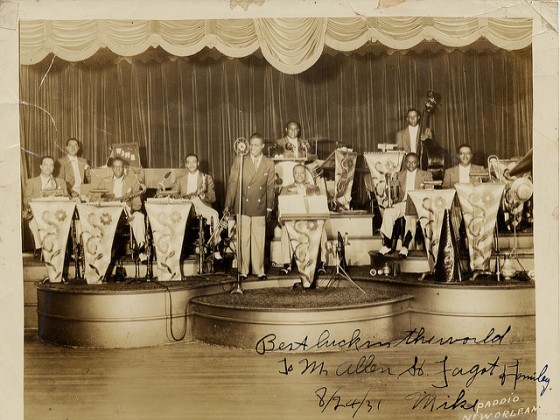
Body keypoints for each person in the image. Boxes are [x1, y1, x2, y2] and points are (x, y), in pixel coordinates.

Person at [224, 133, 276, 280]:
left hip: (260, 205)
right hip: (243, 204)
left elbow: (270, 187)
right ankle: (243, 270)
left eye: (256, 145)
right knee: (244, 238)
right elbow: (232, 183)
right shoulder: (240, 160)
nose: (252, 148)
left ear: (263, 146)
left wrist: (269, 207)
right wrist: (228, 204)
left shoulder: (269, 163)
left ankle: (259, 270)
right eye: (251, 145)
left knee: (259, 238)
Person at [377, 153, 432, 258]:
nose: (411, 164)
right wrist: (392, 195)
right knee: (388, 212)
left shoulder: (426, 175)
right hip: (402, 203)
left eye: (414, 162)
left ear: (418, 163)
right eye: (408, 162)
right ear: (405, 162)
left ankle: (405, 246)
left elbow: (429, 191)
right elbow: (394, 193)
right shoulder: (399, 174)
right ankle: (388, 245)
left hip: (417, 203)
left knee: (410, 216)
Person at [278, 164, 328, 280]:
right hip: (293, 223)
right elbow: (281, 209)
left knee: (322, 229)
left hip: (310, 221)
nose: (299, 175)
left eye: (302, 173)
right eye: (296, 173)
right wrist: (281, 219)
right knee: (285, 229)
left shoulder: (314, 188)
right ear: (293, 174)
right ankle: (287, 264)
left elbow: (319, 206)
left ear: (305, 175)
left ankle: (321, 263)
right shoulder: (286, 189)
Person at [93, 157, 147, 261]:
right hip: (109, 213)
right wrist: (107, 200)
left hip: (127, 212)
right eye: (115, 167)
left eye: (120, 167)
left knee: (139, 217)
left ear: (124, 168)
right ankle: (100, 256)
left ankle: (142, 252)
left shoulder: (132, 181)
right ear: (112, 168)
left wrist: (132, 207)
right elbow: (96, 198)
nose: (118, 169)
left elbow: (137, 203)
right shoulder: (104, 181)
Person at [172, 153, 221, 258]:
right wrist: (182, 198)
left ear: (198, 163)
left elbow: (213, 197)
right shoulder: (179, 179)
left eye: (194, 162)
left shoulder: (207, 178)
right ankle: (179, 249)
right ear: (185, 164)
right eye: (188, 162)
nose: (191, 165)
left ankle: (215, 247)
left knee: (214, 214)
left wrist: (203, 195)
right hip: (185, 205)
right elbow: (174, 194)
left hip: (201, 203)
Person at [23, 156, 69, 256]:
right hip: (38, 214)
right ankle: (40, 248)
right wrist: (41, 194)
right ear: (40, 166)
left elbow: (68, 198)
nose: (49, 168)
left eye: (51, 165)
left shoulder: (60, 182)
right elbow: (26, 200)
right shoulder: (31, 182)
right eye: (46, 165)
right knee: (34, 223)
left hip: (57, 214)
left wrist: (59, 194)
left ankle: (61, 249)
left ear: (54, 167)